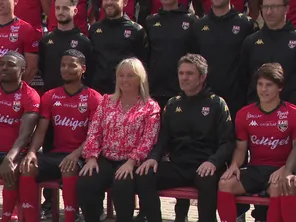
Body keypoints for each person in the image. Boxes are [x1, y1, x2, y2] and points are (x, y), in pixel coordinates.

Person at [135, 53, 235, 222]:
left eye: (190, 73)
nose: (184, 78)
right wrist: (153, 158)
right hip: (178, 164)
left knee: (207, 179)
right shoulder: (173, 104)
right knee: (144, 174)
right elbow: (163, 138)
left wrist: (213, 161)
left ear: (202, 77)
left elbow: (227, 142)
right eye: (181, 73)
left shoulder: (217, 103)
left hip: (206, 164)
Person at [18, 49, 102, 222]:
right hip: (55, 155)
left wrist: (76, 154)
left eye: (72, 65)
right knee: (27, 167)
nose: (66, 69)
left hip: (82, 156)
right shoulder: (50, 96)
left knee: (69, 166)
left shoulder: (94, 98)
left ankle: (71, 217)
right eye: (63, 65)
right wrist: (32, 151)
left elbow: (94, 135)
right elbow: (40, 131)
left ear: (83, 69)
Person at [76, 57, 160, 222]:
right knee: (86, 183)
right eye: (121, 75)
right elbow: (94, 131)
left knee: (122, 184)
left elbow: (149, 139)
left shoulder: (150, 106)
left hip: (132, 160)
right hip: (105, 156)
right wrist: (91, 157)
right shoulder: (107, 101)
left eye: (130, 75)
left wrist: (131, 162)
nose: (124, 80)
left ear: (140, 78)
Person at [217, 63, 296, 222]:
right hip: (255, 169)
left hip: (280, 169)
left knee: (280, 187)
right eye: (260, 84)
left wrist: (286, 169)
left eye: (269, 85)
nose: (263, 89)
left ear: (280, 87)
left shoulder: (292, 113)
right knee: (225, 183)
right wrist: (234, 165)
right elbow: (240, 148)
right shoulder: (245, 114)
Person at [0, 51, 40, 222]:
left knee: (12, 170)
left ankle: (7, 217)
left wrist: (9, 157)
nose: (4, 67)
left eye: (10, 64)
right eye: (2, 63)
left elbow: (25, 134)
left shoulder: (30, 95)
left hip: (15, 152)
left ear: (22, 70)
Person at [145, 0, 197, 110]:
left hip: (182, 91)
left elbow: (196, 57)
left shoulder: (192, 20)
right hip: (155, 91)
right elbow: (146, 56)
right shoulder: (150, 21)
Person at [89, 0, 148, 94]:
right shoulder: (94, 29)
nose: (109, 2)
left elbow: (143, 65)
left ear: (125, 2)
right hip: (98, 92)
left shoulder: (136, 30)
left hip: (125, 93)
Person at [39, 0, 93, 92]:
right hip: (51, 97)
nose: (60, 12)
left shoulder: (84, 42)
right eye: (57, 8)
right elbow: (42, 70)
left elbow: (90, 73)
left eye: (65, 8)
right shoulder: (45, 41)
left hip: (76, 99)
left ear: (75, 11)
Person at [0, 0, 39, 83]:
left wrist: (15, 89)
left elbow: (31, 69)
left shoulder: (25, 29)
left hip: (12, 89)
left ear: (15, 1)